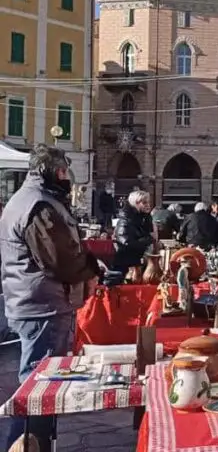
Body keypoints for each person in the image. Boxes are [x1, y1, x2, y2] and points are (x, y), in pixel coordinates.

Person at [0, 145, 104, 451]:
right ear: (50, 172)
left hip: (34, 301)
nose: (66, 177)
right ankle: (24, 445)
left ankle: (37, 443)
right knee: (37, 387)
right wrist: (91, 269)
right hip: (43, 306)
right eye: (62, 172)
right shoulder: (39, 206)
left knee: (39, 383)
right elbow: (61, 259)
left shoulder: (28, 200)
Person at [113, 190, 156, 275]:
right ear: (136, 203)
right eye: (144, 203)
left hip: (139, 262)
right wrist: (147, 240)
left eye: (148, 202)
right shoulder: (125, 220)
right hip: (126, 266)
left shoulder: (144, 219)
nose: (148, 205)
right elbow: (126, 242)